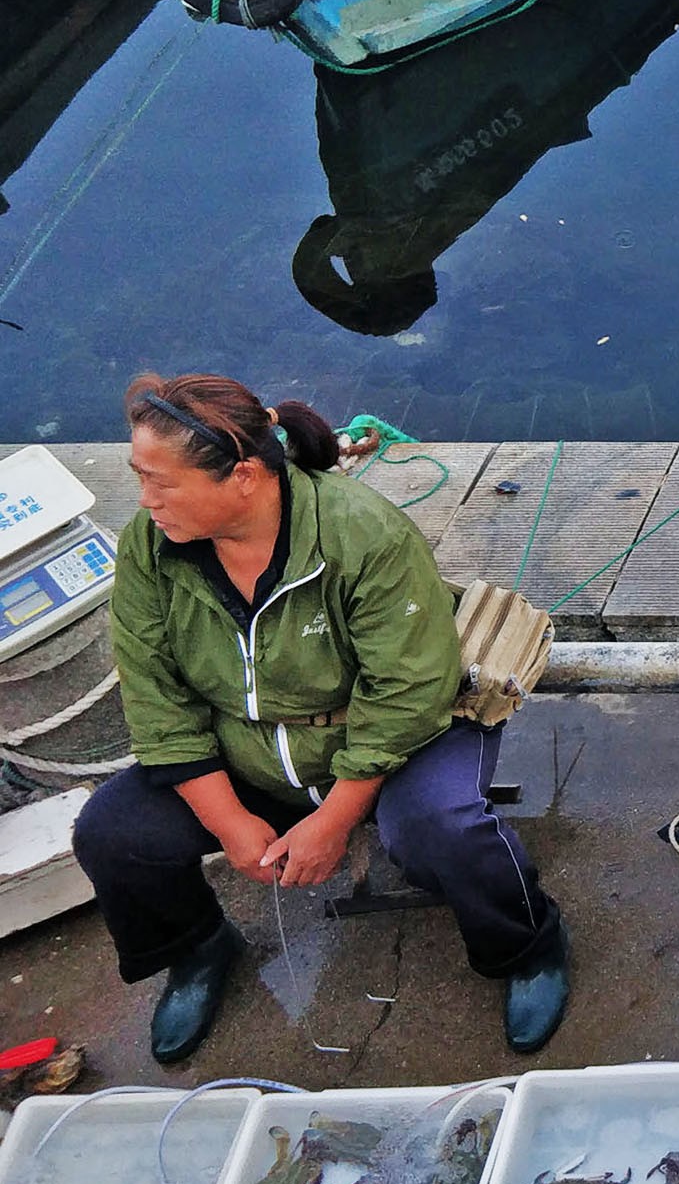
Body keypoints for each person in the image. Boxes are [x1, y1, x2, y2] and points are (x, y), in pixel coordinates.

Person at [72, 375, 571, 1064]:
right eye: (139, 478)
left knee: (439, 826)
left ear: (244, 476)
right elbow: (158, 700)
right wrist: (231, 823)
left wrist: (334, 820)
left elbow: (406, 691)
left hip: (401, 734)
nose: (146, 500)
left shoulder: (362, 534)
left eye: (164, 482)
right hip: (249, 745)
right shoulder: (149, 550)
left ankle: (528, 948)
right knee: (112, 832)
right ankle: (196, 949)